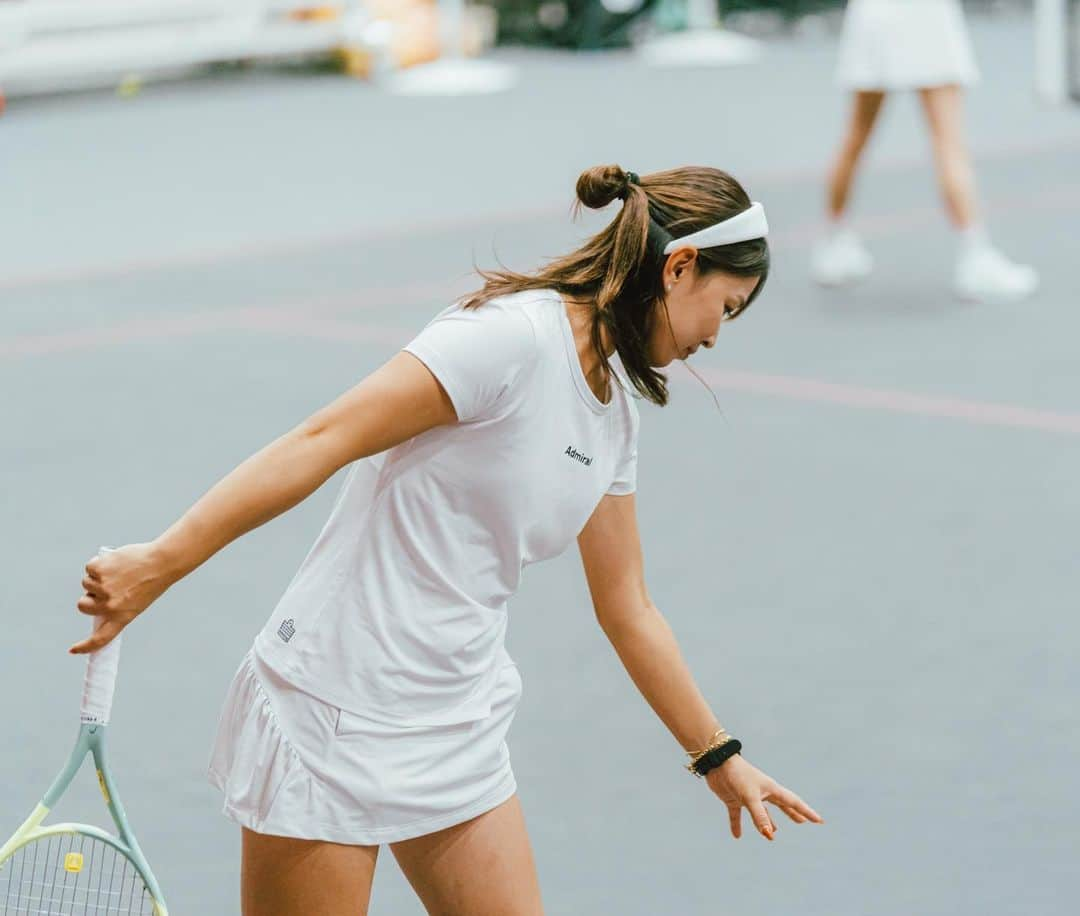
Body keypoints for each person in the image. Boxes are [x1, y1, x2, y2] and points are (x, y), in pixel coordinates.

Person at [72, 164, 824, 916]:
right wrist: (162, 562)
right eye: (725, 306)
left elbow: (628, 606)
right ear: (680, 264)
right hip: (331, 710)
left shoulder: (614, 415)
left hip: (455, 718)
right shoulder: (509, 339)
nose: (718, 335)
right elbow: (323, 437)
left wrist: (717, 756)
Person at [813, 0, 1039, 302]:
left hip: (874, 16)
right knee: (948, 142)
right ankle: (976, 254)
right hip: (922, 16)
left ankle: (833, 242)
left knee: (856, 136)